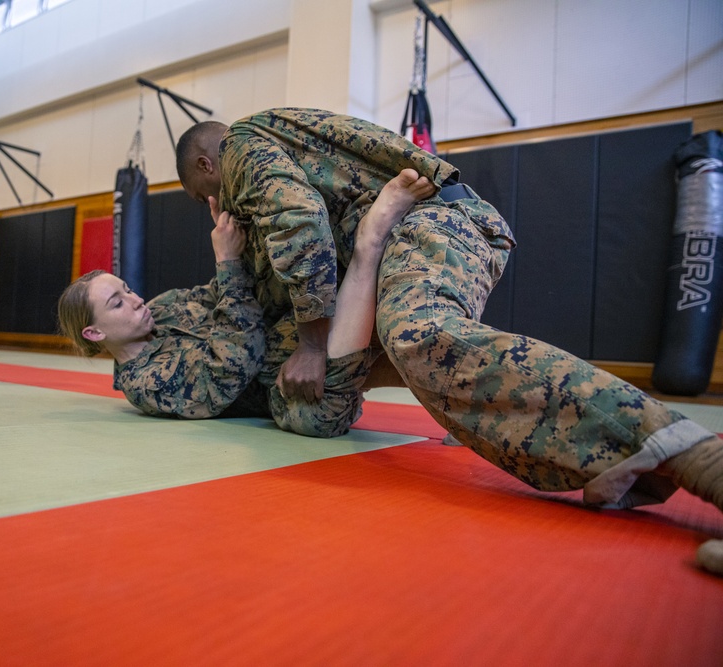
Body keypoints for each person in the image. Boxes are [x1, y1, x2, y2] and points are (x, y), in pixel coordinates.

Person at [175, 107, 723, 575]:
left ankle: (698, 458)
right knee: (393, 354)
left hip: (432, 216)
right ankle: (607, 451)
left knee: (420, 335)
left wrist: (314, 345)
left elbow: (299, 218)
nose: (214, 206)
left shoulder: (240, 145)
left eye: (207, 193)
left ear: (207, 164)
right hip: (413, 231)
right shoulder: (263, 182)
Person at [57, 170, 431, 436]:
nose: (135, 300)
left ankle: (347, 225)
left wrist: (229, 238)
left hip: (294, 328)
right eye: (117, 303)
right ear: (94, 332)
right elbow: (234, 362)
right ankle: (371, 243)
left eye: (126, 288)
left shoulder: (162, 306)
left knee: (258, 260)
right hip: (287, 378)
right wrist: (227, 263)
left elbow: (224, 292)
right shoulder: (145, 383)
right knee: (318, 419)